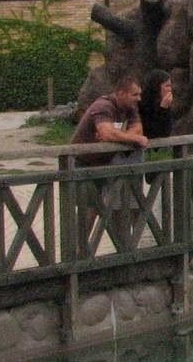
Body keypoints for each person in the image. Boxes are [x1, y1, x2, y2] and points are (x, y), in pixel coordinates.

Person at [72, 75, 147, 244]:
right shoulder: (103, 106)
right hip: (85, 163)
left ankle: (122, 249)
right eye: (135, 95)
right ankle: (78, 253)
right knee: (89, 210)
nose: (139, 99)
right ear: (121, 93)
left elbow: (137, 129)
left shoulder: (130, 108)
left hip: (107, 163)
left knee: (116, 206)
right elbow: (107, 132)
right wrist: (131, 138)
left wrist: (119, 136)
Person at [138, 70, 174, 142]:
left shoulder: (161, 103)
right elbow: (150, 132)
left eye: (170, 86)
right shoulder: (141, 102)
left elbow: (165, 132)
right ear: (156, 86)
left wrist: (164, 108)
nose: (170, 89)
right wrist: (162, 109)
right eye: (167, 86)